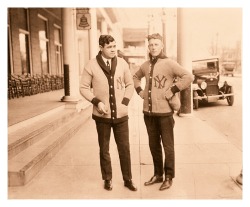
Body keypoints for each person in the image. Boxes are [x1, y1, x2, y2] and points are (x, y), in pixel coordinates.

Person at [133, 33, 193, 191]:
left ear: (162, 46)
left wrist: (173, 89)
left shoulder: (170, 63)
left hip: (165, 114)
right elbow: (135, 77)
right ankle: (158, 174)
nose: (153, 47)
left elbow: (188, 76)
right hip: (148, 113)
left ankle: (168, 177)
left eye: (156, 44)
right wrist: (140, 91)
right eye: (151, 44)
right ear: (148, 46)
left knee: (168, 146)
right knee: (153, 145)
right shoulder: (145, 65)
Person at [80, 35, 137, 191]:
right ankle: (107, 178)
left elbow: (130, 84)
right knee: (104, 148)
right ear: (101, 47)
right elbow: (83, 88)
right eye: (109, 47)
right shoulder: (91, 65)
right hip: (102, 116)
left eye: (114, 46)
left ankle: (128, 179)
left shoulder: (123, 64)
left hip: (121, 115)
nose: (113, 50)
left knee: (124, 148)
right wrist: (96, 101)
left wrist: (125, 102)